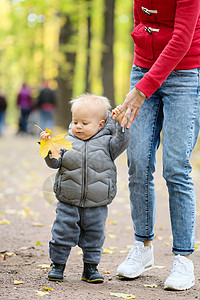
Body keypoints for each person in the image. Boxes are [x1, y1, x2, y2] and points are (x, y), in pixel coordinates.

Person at [112, 0, 200, 291]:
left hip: (185, 74)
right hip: (143, 70)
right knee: (137, 162)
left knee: (176, 168)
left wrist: (141, 90)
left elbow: (181, 38)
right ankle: (143, 245)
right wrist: (141, 74)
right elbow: (142, 25)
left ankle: (183, 258)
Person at [40, 94, 130, 283]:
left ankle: (90, 268)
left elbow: (123, 142)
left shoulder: (108, 145)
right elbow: (54, 163)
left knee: (94, 236)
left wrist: (122, 125)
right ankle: (57, 265)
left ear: (100, 124)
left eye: (84, 123)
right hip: (68, 200)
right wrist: (48, 148)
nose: (78, 126)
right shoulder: (66, 142)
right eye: (75, 122)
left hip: (97, 203)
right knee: (62, 233)